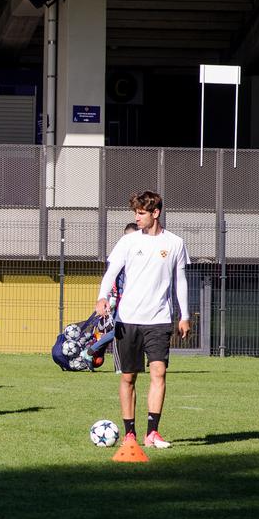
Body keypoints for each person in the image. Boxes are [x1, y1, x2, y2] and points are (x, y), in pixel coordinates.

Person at [95, 191, 190, 449]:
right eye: (135, 213)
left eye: (141, 213)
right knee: (128, 377)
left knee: (159, 372)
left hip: (159, 320)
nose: (136, 218)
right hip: (128, 320)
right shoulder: (127, 243)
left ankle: (152, 433)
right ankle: (129, 434)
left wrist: (185, 315)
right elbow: (110, 273)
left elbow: (180, 281)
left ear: (155, 213)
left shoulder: (175, 243)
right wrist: (102, 297)